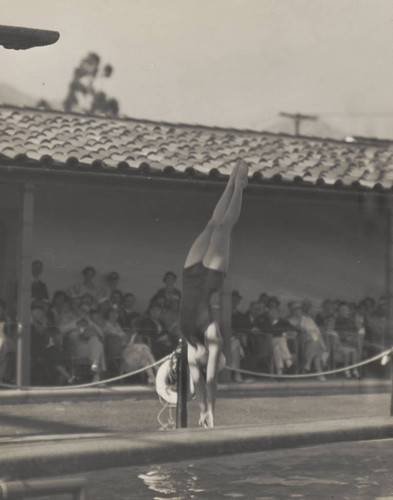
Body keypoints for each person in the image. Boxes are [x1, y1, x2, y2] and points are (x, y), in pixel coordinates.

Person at [179, 160, 248, 428]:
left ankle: (231, 180)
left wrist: (202, 410)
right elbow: (210, 381)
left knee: (211, 224)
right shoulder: (211, 335)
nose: (203, 364)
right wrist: (210, 411)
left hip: (189, 273)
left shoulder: (190, 344)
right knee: (223, 228)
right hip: (209, 279)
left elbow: (201, 381)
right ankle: (240, 187)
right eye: (214, 361)